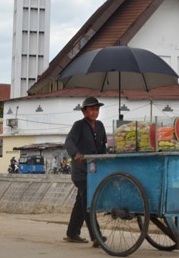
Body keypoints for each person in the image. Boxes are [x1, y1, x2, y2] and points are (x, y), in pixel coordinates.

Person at [64, 96, 108, 246]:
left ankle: (72, 233)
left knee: (81, 202)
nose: (95, 112)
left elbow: (103, 148)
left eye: (97, 109)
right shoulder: (79, 126)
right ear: (84, 111)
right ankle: (96, 236)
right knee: (87, 201)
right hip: (81, 172)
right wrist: (75, 154)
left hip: (94, 172)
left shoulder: (100, 126)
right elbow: (69, 141)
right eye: (92, 109)